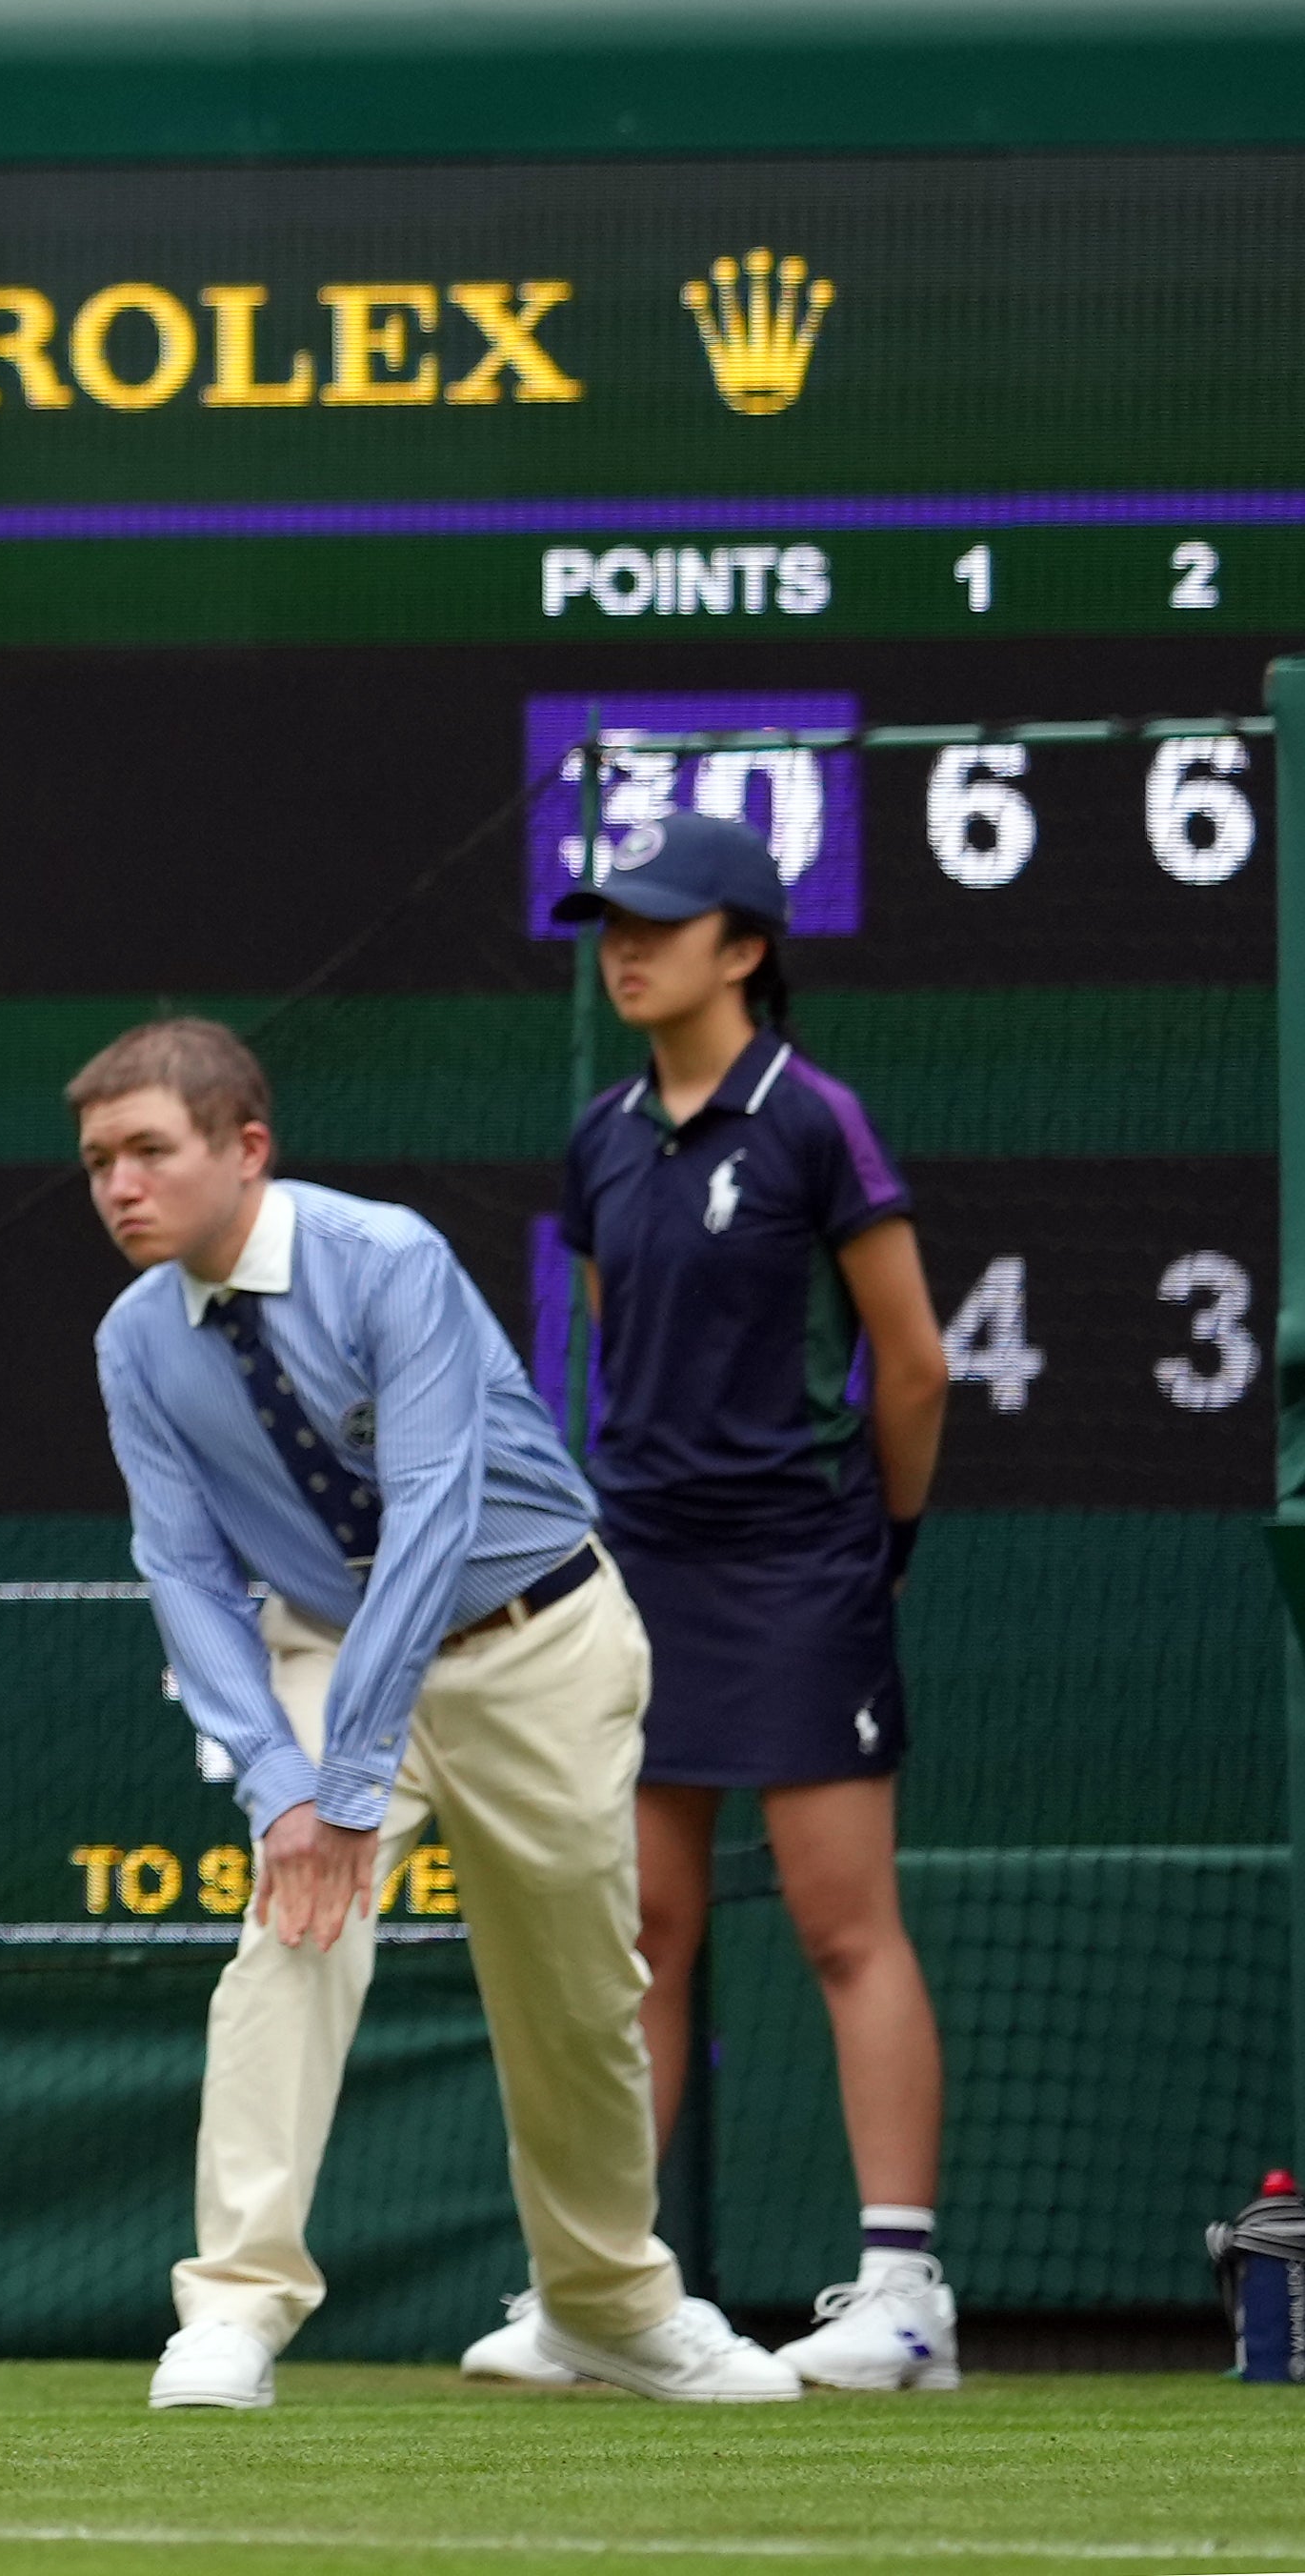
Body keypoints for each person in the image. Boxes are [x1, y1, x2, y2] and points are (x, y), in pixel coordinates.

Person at [77, 1016, 784, 2411]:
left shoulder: (385, 1259)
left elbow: (430, 1517)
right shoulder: (130, 1341)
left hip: (537, 1641)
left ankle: (602, 2309)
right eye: (96, 1160)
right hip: (324, 1644)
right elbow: (177, 1566)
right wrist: (284, 1785)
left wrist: (345, 1782)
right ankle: (228, 2312)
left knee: (573, 1992)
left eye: (148, 1151)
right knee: (285, 1937)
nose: (116, 1186)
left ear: (245, 1150)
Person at [522, 804, 961, 2387]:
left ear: (745, 948)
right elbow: (604, 1344)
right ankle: (604, 2297)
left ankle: (904, 2292)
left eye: (656, 920)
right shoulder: (598, 1132)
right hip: (644, 1566)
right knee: (640, 1930)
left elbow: (912, 1360)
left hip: (799, 1559)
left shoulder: (811, 1120)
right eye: (608, 920)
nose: (621, 944)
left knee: (846, 1922)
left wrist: (877, 1535)